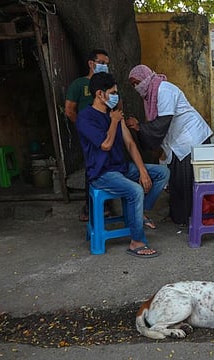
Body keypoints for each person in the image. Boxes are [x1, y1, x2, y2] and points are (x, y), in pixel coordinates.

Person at [76, 72, 170, 258]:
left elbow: (130, 144)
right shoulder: (85, 118)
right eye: (112, 92)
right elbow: (105, 145)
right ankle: (137, 242)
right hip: (102, 174)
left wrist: (143, 171)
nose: (115, 96)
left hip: (122, 168)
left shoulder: (115, 115)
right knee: (135, 191)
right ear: (99, 94)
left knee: (162, 172)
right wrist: (113, 121)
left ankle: (141, 212)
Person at [126, 65, 213, 226]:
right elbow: (158, 125)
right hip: (179, 143)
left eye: (136, 82)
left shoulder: (163, 90)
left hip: (192, 139)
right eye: (133, 85)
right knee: (175, 181)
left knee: (185, 181)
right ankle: (178, 216)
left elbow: (162, 123)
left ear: (145, 77)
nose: (136, 87)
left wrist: (139, 128)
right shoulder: (150, 95)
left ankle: (188, 218)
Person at [65, 49, 111, 222]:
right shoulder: (79, 84)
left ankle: (106, 204)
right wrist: (84, 127)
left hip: (108, 131)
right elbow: (69, 110)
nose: (105, 66)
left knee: (109, 164)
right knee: (92, 167)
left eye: (107, 64)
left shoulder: (108, 83)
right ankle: (90, 206)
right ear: (91, 63)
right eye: (102, 63)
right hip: (89, 133)